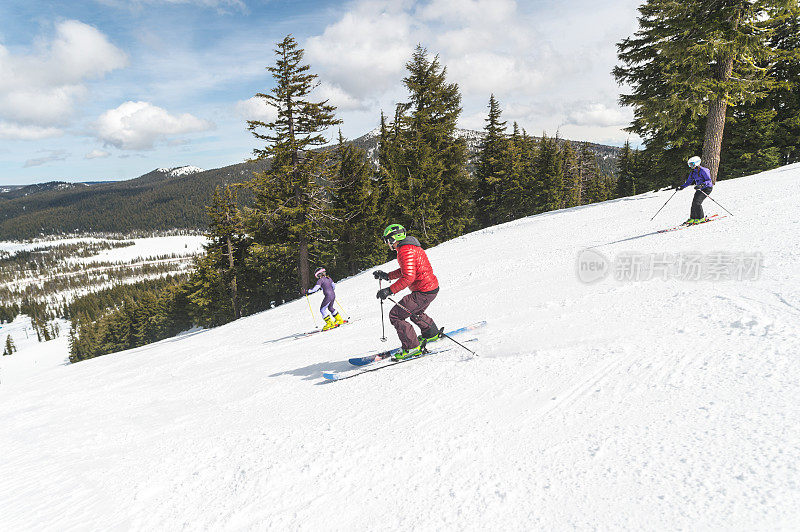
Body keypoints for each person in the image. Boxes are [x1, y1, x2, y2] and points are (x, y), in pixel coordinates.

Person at [373, 224, 441, 360]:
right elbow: (406, 270)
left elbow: (409, 277)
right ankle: (431, 333)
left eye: (387, 240)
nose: (387, 244)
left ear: (393, 239)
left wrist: (389, 291)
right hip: (430, 289)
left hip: (423, 291)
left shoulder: (405, 250)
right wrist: (387, 276)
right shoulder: (410, 247)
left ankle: (411, 347)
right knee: (415, 312)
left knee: (396, 315)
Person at [676, 156, 713, 224]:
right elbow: (689, 182)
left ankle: (701, 218)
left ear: (696, 163)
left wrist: (702, 185)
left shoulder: (704, 170)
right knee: (694, 203)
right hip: (699, 188)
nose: (691, 166)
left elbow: (709, 180)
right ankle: (693, 218)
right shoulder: (693, 172)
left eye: (692, 164)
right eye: (689, 165)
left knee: (697, 202)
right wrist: (682, 187)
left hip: (707, 188)